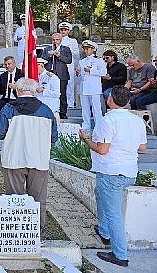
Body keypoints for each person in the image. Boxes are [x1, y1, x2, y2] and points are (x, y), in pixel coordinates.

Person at [78, 86, 147, 268]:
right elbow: (142, 148)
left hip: (111, 172)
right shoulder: (137, 120)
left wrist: (85, 139)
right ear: (128, 101)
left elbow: (102, 149)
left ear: (110, 100)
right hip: (130, 171)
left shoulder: (107, 120)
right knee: (100, 196)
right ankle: (104, 232)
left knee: (113, 213)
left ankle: (120, 254)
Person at [0, 78, 58, 238]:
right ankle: (37, 233)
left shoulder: (9, 108)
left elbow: (1, 133)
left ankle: (16, 232)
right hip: (39, 158)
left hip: (14, 158)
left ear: (17, 90)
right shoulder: (46, 110)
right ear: (34, 90)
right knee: (38, 199)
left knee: (15, 197)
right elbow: (53, 137)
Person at [41, 33, 73, 119]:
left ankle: (63, 113)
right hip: (49, 74)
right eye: (53, 40)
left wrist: (59, 56)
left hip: (61, 75)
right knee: (47, 92)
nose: (55, 41)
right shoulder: (47, 49)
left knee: (62, 94)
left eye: (57, 40)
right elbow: (42, 59)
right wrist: (50, 55)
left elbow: (69, 60)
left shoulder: (66, 49)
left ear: (61, 40)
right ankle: (48, 111)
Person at [76, 40, 106, 131]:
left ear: (93, 49)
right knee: (85, 109)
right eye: (84, 49)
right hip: (84, 88)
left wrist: (91, 71)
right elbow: (81, 76)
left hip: (94, 88)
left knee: (96, 109)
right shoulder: (82, 61)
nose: (85, 51)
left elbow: (103, 73)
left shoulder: (99, 60)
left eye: (87, 49)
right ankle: (86, 126)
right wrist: (78, 73)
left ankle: (98, 126)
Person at [0, 56, 24, 124]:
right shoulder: (3, 75)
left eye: (9, 64)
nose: (7, 66)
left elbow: (24, 88)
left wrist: (16, 87)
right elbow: (2, 92)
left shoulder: (21, 74)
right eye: (5, 64)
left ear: (14, 63)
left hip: (16, 99)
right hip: (5, 99)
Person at [58, 22, 80, 108]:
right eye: (61, 29)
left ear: (68, 31)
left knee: (70, 84)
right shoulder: (57, 39)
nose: (63, 31)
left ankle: (70, 103)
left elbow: (76, 54)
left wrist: (67, 51)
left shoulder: (72, 41)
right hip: (59, 65)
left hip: (69, 65)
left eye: (65, 30)